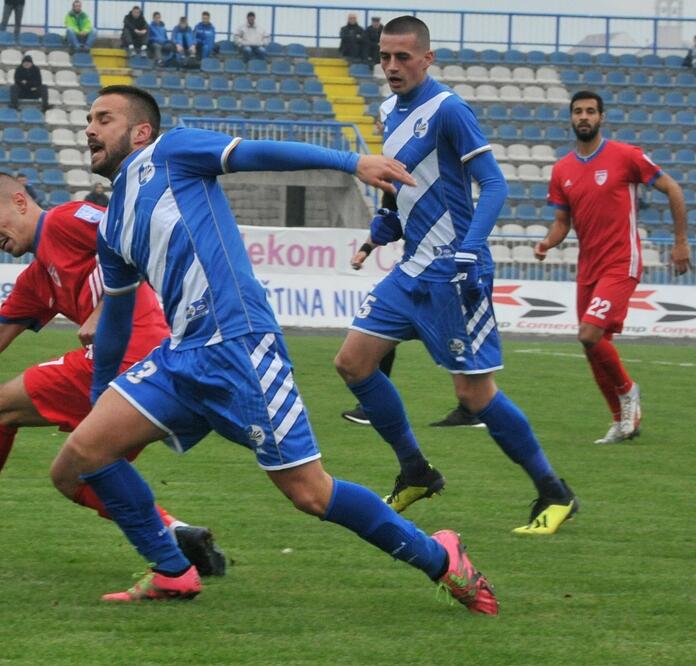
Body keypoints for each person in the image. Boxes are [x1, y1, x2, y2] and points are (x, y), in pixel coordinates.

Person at [47, 84, 498, 613]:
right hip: (182, 355)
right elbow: (116, 318)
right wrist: (101, 393)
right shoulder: (113, 222)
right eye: (88, 119)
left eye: (103, 119)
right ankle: (172, 571)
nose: (89, 129)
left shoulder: (170, 152)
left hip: (240, 345)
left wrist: (353, 162)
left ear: (141, 131)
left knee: (310, 492)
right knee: (78, 458)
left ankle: (441, 558)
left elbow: (255, 153)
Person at [0, 175, 227, 577]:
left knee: (0, 403)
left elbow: (134, 234)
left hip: (133, 356)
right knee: (72, 475)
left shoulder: (65, 222)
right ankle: (176, 538)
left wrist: (105, 310)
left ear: (21, 201)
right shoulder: (36, 279)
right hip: (144, 370)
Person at [332, 16, 577, 536]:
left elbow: (493, 185)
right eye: (385, 57)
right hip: (412, 267)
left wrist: (469, 250)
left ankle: (554, 492)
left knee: (474, 395)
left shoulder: (448, 109)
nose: (392, 67)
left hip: (454, 273)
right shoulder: (386, 111)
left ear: (427, 58)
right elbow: (401, 182)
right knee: (353, 362)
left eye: (403, 57)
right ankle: (415, 471)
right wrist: (384, 227)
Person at [535, 90, 691, 444]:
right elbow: (563, 221)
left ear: (601, 117)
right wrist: (547, 241)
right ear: (571, 118)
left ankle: (628, 391)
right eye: (578, 112)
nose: (584, 117)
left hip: (622, 262)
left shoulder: (626, 156)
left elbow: (674, 189)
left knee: (589, 334)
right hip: (588, 267)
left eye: (591, 111)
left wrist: (681, 242)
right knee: (593, 345)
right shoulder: (563, 170)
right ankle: (622, 420)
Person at [342, 191, 484, 429]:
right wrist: (365, 250)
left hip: (444, 275)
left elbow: (490, 191)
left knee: (457, 349)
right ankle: (372, 408)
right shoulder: (392, 180)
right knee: (376, 332)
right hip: (411, 275)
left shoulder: (443, 176)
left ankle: (472, 411)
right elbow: (389, 222)